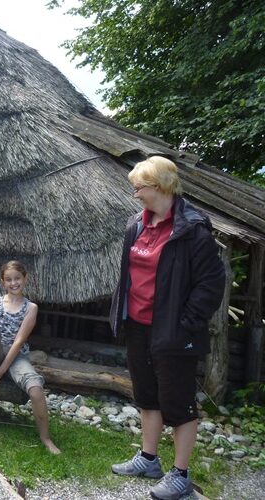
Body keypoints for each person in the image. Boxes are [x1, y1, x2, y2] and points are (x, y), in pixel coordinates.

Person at [109, 156, 225, 500]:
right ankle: (148, 459)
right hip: (138, 325)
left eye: (139, 188)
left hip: (173, 331)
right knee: (146, 394)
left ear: (159, 186)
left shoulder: (193, 230)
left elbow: (211, 283)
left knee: (178, 402)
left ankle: (180, 475)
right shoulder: (136, 224)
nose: (135, 194)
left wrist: (185, 323)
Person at [0, 261, 60, 454]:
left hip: (16, 356)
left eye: (17, 278)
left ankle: (45, 438)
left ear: (25, 279)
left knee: (36, 388)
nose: (13, 283)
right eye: (9, 279)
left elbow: (19, 341)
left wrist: (2, 370)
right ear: (2, 281)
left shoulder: (31, 307)